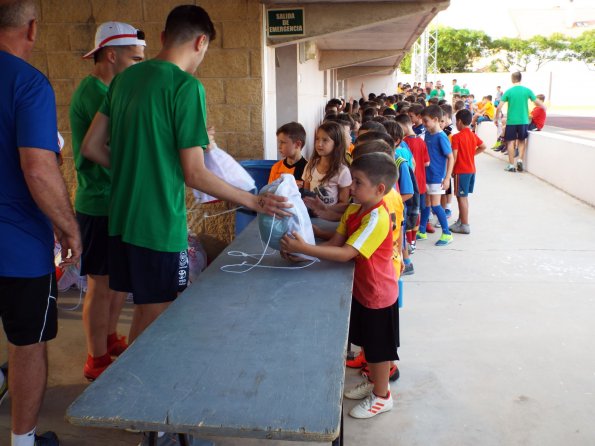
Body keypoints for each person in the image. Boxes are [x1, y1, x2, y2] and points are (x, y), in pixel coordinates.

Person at [81, 5, 291, 345]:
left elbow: (91, 146)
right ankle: (136, 392)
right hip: (159, 223)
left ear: (163, 37)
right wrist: (253, 200)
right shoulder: (186, 88)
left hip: (120, 218)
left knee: (147, 306)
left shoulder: (123, 80)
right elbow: (194, 173)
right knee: (157, 312)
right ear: (201, 41)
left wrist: (137, 170)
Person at [0, 1, 82, 445]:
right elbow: (38, 168)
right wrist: (68, 228)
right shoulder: (28, 83)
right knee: (27, 344)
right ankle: (22, 441)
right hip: (17, 248)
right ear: (31, 28)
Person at [280, 152, 400, 419]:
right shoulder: (356, 209)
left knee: (379, 350)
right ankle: (374, 382)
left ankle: (383, 396)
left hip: (378, 294)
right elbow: (335, 242)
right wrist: (305, 249)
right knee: (369, 343)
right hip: (362, 289)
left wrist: (304, 247)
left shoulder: (377, 218)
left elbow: (346, 253)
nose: (351, 188)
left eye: (357, 183)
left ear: (379, 189)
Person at [70, 21, 146, 381]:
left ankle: (110, 337)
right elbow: (107, 147)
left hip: (116, 201)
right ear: (111, 55)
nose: (140, 67)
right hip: (98, 203)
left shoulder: (111, 90)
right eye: (135, 60)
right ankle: (95, 358)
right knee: (100, 286)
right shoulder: (95, 93)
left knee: (118, 281)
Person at [416, 105, 454, 246]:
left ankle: (447, 233)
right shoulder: (428, 134)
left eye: (426, 121)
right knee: (426, 205)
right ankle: (421, 230)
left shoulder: (441, 137)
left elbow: (451, 157)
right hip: (427, 176)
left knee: (436, 206)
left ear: (436, 119)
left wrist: (447, 178)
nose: (424, 124)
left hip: (437, 177)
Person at [495, 71, 543, 173]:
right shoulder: (527, 90)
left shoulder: (509, 91)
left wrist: (496, 118)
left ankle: (511, 165)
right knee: (522, 141)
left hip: (511, 121)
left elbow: (499, 107)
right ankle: (520, 160)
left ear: (512, 79)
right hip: (524, 121)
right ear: (520, 79)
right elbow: (536, 102)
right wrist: (544, 107)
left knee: (510, 142)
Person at [449, 110, 486, 234]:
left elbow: (454, 156)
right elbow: (483, 146)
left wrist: (450, 171)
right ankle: (461, 220)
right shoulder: (472, 134)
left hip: (461, 170)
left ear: (459, 121)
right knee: (463, 197)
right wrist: (471, 155)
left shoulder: (456, 137)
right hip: (471, 170)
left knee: (462, 197)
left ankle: (464, 225)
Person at [302, 121, 352, 206]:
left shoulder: (342, 171)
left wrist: (326, 213)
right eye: (317, 139)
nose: (319, 144)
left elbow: (343, 203)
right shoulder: (311, 165)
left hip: (330, 218)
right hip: (311, 216)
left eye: (325, 140)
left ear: (336, 144)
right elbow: (306, 194)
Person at [268, 122, 308, 188]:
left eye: (283, 142)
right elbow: (269, 192)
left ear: (298, 144)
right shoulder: (276, 168)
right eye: (279, 142)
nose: (279, 147)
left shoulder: (308, 169)